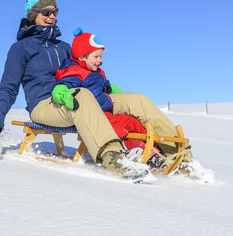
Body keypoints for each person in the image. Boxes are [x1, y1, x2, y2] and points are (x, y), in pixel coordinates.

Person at [0, 0, 181, 181]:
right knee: (82, 95)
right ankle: (113, 156)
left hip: (80, 98)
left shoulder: (64, 48)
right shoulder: (20, 49)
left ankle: (177, 153)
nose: (52, 16)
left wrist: (105, 86)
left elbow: (84, 71)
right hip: (45, 105)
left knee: (136, 100)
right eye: (46, 12)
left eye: (55, 12)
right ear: (33, 14)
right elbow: (8, 88)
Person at [53, 27, 169, 169]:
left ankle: (152, 153)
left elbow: (104, 85)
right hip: (93, 116)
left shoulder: (96, 72)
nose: (100, 61)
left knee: (132, 123)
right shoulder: (74, 71)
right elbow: (62, 86)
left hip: (106, 111)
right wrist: (64, 95)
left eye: (101, 56)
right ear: (82, 56)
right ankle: (122, 153)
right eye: (96, 57)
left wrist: (112, 89)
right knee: (117, 128)